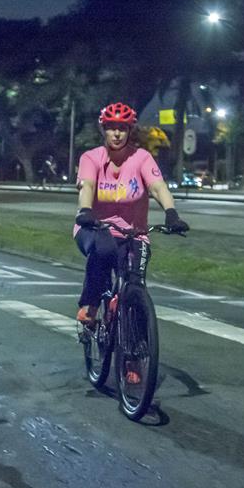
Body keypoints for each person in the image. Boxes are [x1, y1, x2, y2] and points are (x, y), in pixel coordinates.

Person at [74, 102, 189, 381]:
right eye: (111, 128)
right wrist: (86, 211)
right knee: (103, 250)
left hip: (134, 233)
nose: (116, 134)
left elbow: (158, 186)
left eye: (122, 128)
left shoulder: (142, 158)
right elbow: (87, 186)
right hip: (95, 227)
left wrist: (171, 213)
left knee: (135, 290)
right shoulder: (92, 158)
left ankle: (132, 359)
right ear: (103, 130)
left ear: (130, 131)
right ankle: (89, 305)